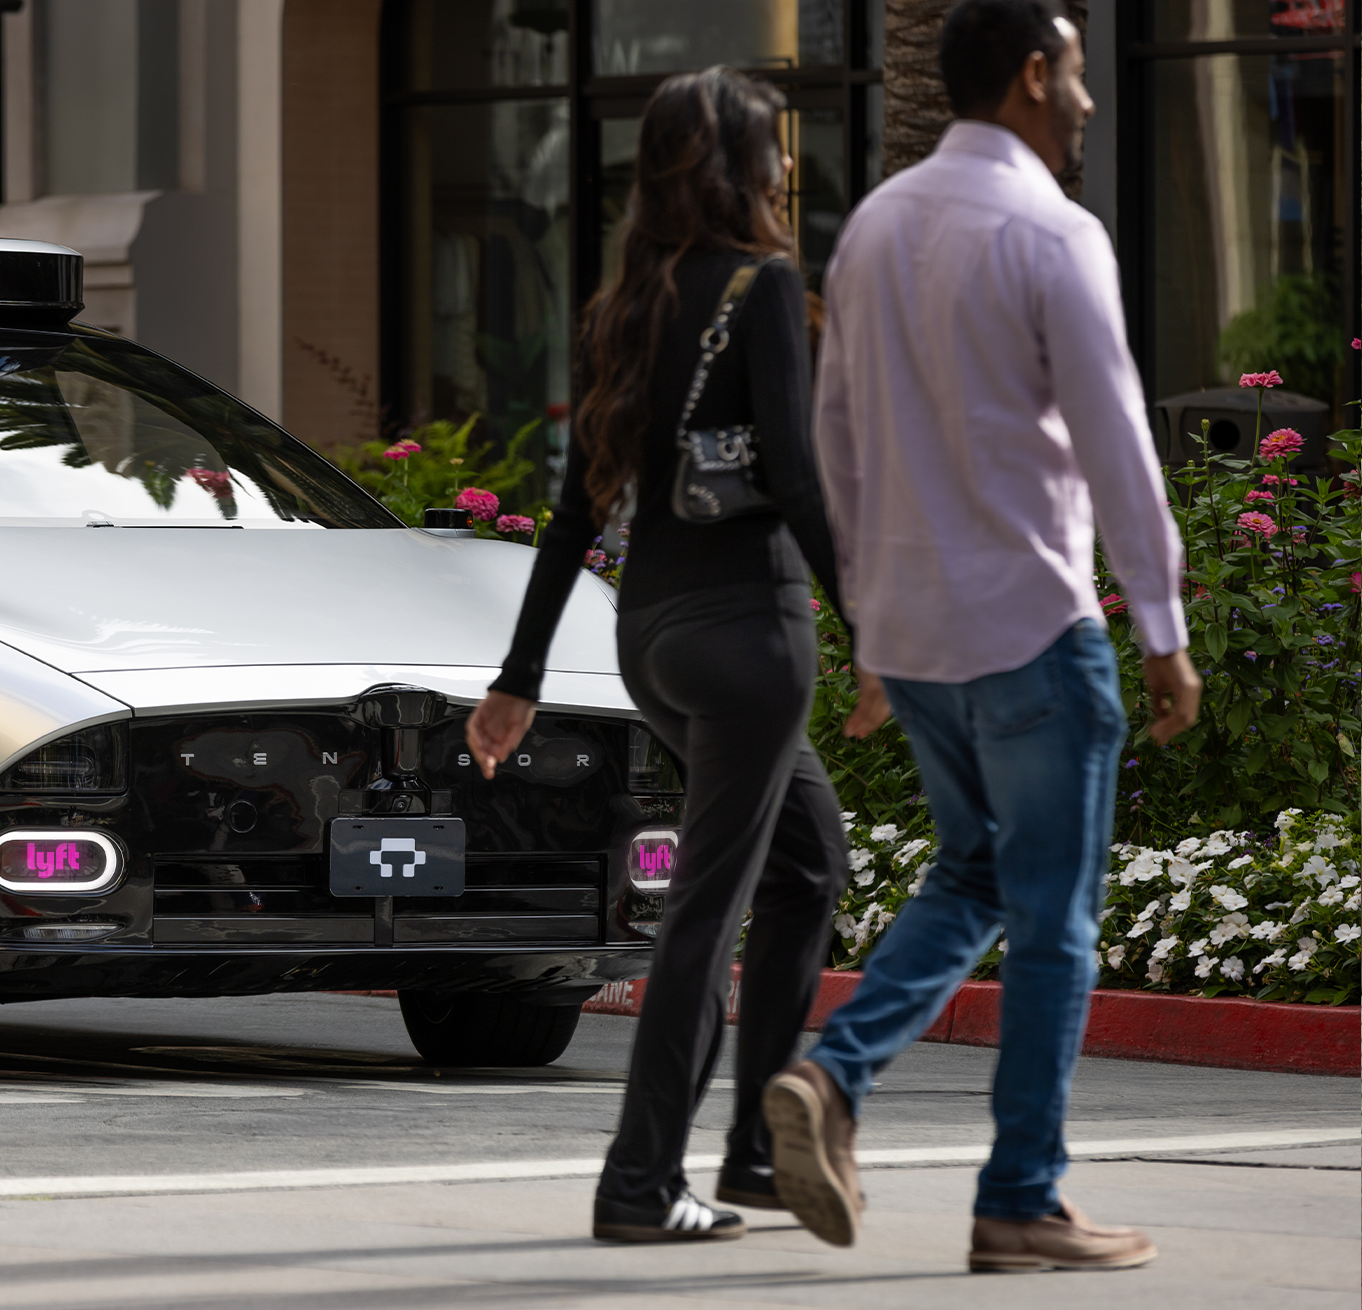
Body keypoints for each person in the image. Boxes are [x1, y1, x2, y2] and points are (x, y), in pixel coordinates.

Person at [762, 0, 1202, 1273]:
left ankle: (834, 1075)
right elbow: (1116, 442)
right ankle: (1020, 1198)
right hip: (1027, 624)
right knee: (1053, 918)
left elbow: (835, 437)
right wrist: (1162, 627)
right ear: (1030, 76)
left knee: (972, 871)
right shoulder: (1053, 232)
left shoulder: (874, 227)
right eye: (1077, 76)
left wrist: (867, 623)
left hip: (915, 631)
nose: (1088, 101)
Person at [466, 66, 852, 1243]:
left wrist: (519, 678)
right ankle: (640, 1179)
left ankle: (752, 1154)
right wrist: (876, 628)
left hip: (653, 636)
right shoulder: (762, 285)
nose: (786, 167)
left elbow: (575, 510)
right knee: (707, 912)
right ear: (740, 166)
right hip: (748, 635)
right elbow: (796, 476)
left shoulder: (622, 306)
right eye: (773, 148)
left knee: (806, 865)